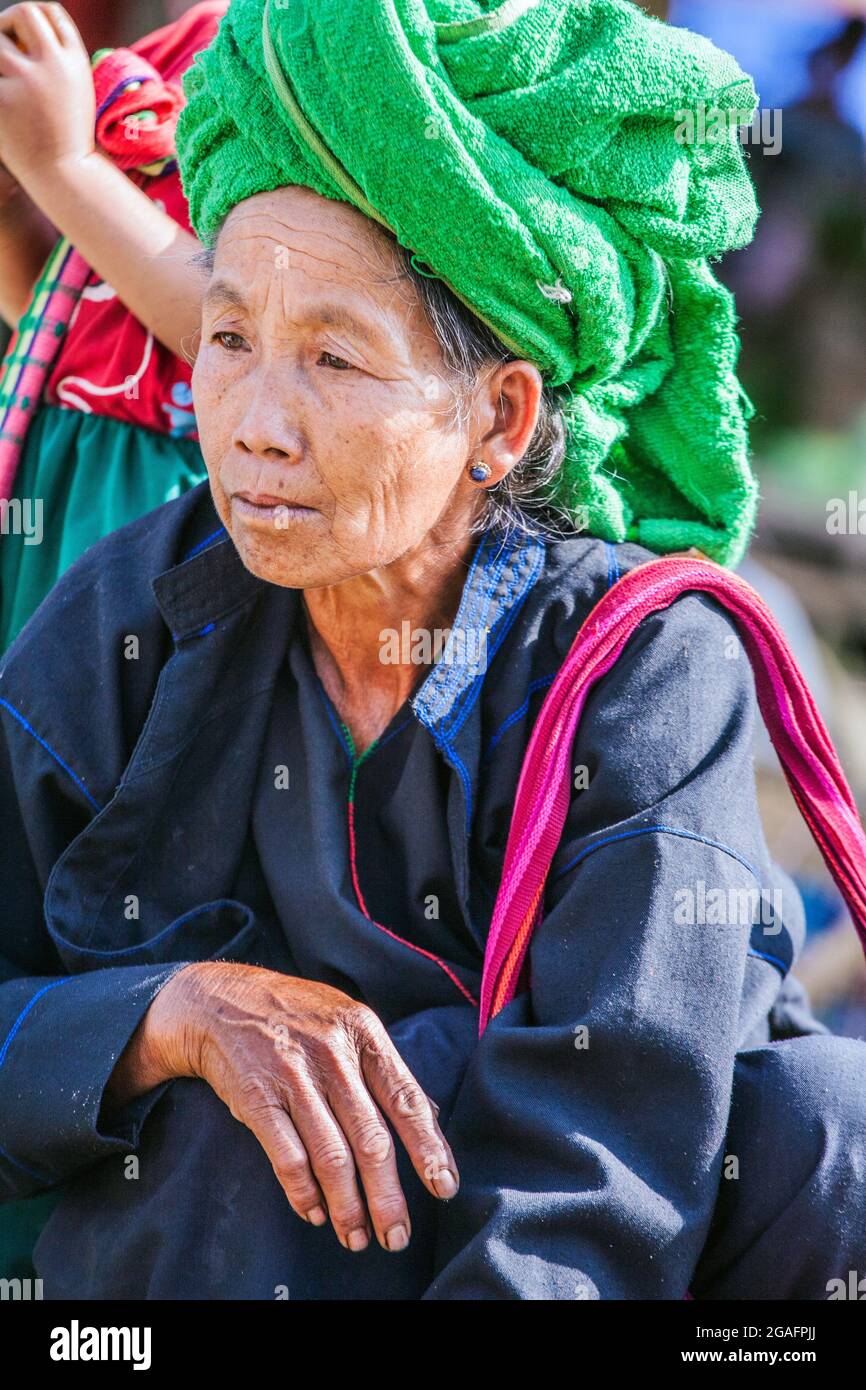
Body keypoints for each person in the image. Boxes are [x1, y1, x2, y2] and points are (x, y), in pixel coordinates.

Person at [0, 0, 864, 1300]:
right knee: (227, 1115)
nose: (255, 427)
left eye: (336, 359)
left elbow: (604, 1142)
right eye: (227, 339)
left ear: (500, 417)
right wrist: (154, 1018)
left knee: (816, 1119)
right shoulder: (131, 609)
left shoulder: (639, 668)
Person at [0, 1, 228, 651]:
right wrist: (14, 205)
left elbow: (252, 338)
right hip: (63, 480)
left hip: (173, 515)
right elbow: (78, 329)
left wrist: (64, 165)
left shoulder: (324, 67)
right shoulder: (179, 46)